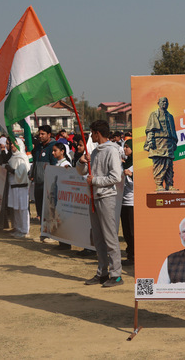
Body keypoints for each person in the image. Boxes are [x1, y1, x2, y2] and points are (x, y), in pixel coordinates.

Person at [77, 120, 123, 288]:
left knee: (110, 238)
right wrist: (81, 162)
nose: (91, 136)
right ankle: (102, 272)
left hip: (107, 197)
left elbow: (115, 177)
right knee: (98, 239)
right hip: (94, 197)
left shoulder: (112, 150)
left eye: (92, 133)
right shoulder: (95, 152)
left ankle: (116, 274)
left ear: (97, 133)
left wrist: (95, 180)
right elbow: (82, 171)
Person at [144, 97, 178, 192]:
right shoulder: (154, 114)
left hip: (169, 143)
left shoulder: (170, 116)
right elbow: (150, 129)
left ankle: (169, 184)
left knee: (169, 164)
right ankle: (159, 184)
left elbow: (173, 130)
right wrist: (150, 141)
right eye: (163, 101)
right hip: (158, 142)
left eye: (166, 102)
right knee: (159, 164)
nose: (165, 103)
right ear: (158, 103)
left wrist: (174, 141)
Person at [30, 125, 57, 238]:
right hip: (38, 183)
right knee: (40, 210)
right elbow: (35, 163)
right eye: (39, 134)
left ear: (49, 135)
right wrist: (33, 174)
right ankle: (44, 232)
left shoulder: (53, 147)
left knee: (50, 211)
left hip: (49, 185)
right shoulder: (38, 148)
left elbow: (55, 165)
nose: (40, 136)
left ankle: (53, 234)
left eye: (43, 134)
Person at [5, 138, 31, 239]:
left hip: (21, 186)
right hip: (13, 185)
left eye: (14, 143)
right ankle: (18, 228)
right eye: (11, 143)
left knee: (22, 208)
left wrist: (11, 170)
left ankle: (24, 230)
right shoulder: (13, 157)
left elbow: (23, 172)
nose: (12, 145)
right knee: (16, 208)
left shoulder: (22, 157)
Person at [120, 139, 134, 264]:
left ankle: (134, 255)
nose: (124, 149)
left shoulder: (138, 164)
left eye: (127, 147)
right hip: (123, 202)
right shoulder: (125, 163)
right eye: (124, 147)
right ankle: (130, 253)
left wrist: (131, 175)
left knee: (132, 231)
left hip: (132, 203)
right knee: (126, 231)